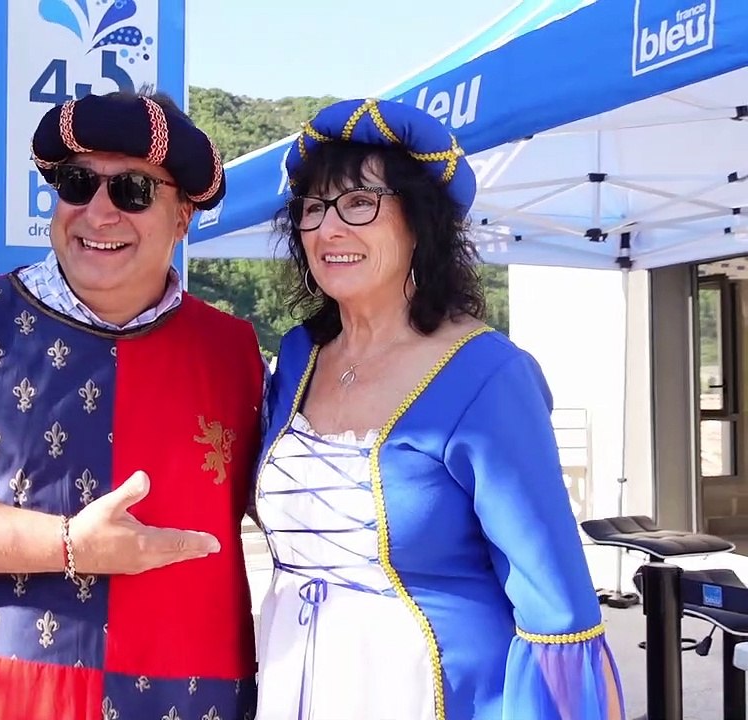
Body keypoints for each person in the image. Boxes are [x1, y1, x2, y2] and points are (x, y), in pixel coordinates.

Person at [0, 90, 263, 720]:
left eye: (132, 190)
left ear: (183, 216)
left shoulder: (236, 353)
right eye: (78, 184)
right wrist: (70, 545)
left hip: (191, 698)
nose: (99, 212)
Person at [254, 98, 625, 720]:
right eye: (313, 208)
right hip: (296, 680)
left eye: (359, 203)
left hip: (434, 692)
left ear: (421, 223)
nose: (328, 229)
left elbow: (555, 601)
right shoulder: (298, 357)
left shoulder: (487, 374)